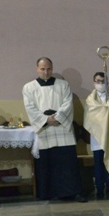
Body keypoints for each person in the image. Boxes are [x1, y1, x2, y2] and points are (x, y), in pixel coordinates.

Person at [22, 57, 87, 202]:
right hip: (45, 130)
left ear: (52, 68)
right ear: (37, 69)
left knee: (67, 162)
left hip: (62, 128)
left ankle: (73, 192)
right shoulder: (29, 87)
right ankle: (48, 193)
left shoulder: (63, 85)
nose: (46, 72)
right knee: (47, 162)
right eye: (43, 69)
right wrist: (46, 120)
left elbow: (67, 104)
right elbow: (30, 108)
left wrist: (57, 117)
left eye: (49, 69)